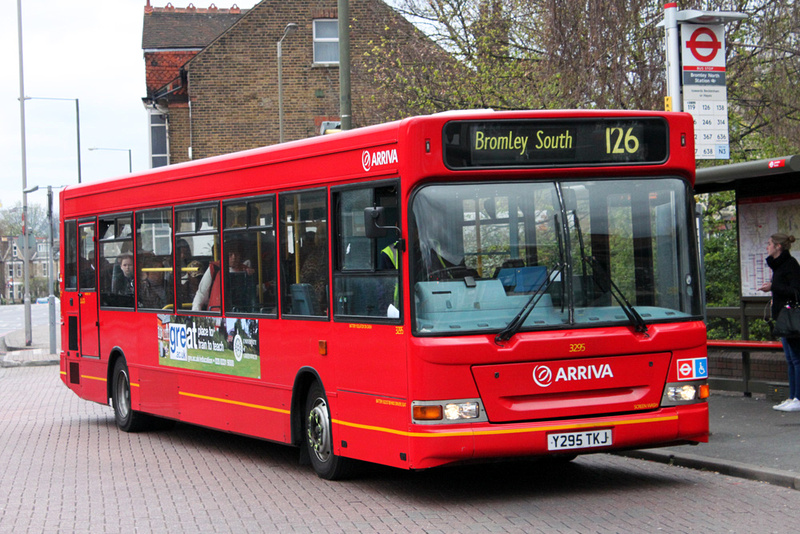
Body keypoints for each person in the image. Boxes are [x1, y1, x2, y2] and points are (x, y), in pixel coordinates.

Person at [758, 233, 800, 412]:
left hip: (790, 318)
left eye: (769, 244)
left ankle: (798, 397)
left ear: (778, 247)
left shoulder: (790, 265)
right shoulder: (778, 266)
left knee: (797, 358)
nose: (767, 247)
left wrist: (773, 287)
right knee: (790, 359)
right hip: (782, 318)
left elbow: (796, 290)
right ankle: (792, 396)